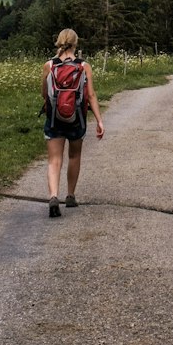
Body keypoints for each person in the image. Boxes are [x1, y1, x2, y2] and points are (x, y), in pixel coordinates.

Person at [42, 28, 104, 218]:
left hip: (54, 118)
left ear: (59, 42)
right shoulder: (84, 66)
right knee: (74, 156)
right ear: (76, 43)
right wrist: (99, 121)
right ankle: (70, 196)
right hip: (77, 118)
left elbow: (44, 94)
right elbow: (91, 95)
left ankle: (53, 196)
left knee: (54, 160)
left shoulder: (49, 65)